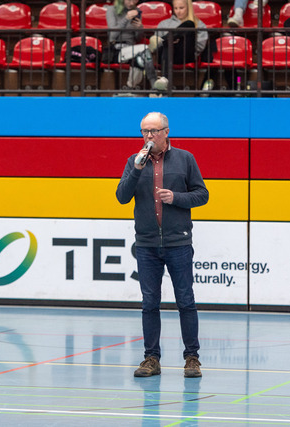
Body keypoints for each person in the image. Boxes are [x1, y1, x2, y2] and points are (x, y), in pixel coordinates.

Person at [116, 112, 209, 378]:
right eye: (144, 131)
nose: (148, 136)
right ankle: (151, 358)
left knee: (186, 301)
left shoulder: (185, 159)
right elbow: (122, 197)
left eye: (153, 131)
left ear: (166, 132)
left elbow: (202, 195)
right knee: (149, 303)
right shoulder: (133, 161)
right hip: (147, 244)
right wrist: (136, 170)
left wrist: (176, 197)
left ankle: (192, 358)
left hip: (178, 242)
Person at [104, 0, 168, 91]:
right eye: (129, 0)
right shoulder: (111, 10)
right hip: (117, 49)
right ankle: (154, 84)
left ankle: (130, 87)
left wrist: (139, 28)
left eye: (134, 1)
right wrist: (126, 18)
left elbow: (138, 38)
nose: (132, 3)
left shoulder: (136, 11)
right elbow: (112, 36)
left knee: (140, 59)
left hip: (133, 49)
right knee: (145, 49)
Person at [148, 0, 209, 77]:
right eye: (175, 8)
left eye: (181, 8)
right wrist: (172, 41)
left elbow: (200, 47)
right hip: (165, 55)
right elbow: (157, 47)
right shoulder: (164, 23)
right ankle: (165, 79)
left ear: (188, 8)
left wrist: (180, 42)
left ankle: (165, 39)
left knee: (189, 23)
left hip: (185, 55)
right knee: (168, 44)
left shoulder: (199, 24)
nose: (178, 11)